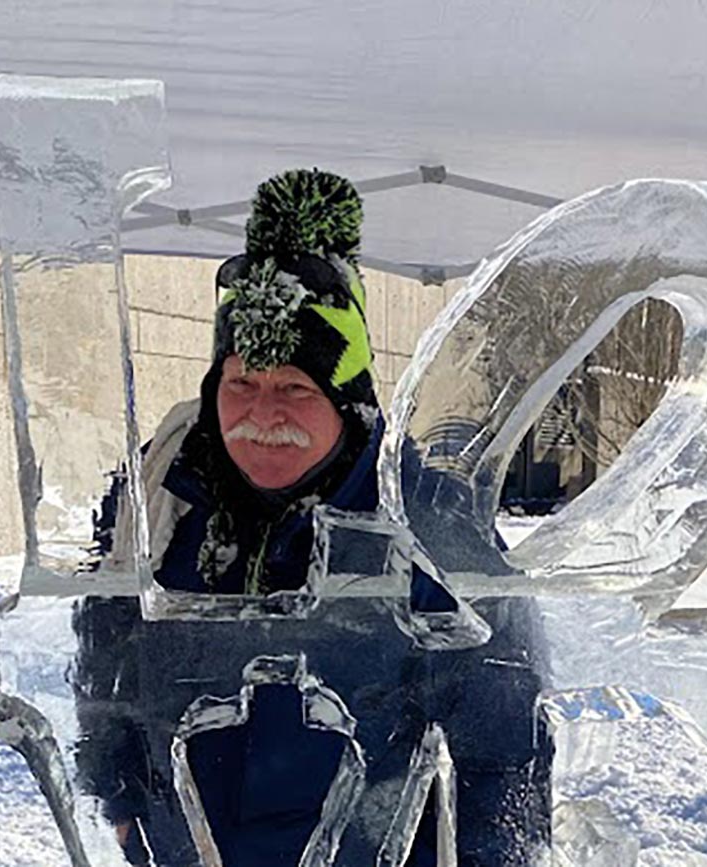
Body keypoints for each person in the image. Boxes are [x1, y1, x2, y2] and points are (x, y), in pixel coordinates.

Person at [72, 169, 551, 866]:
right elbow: (103, 640)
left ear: (348, 400)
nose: (262, 414)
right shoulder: (157, 491)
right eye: (242, 382)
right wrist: (112, 794)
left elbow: (507, 738)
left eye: (295, 387)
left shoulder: (428, 519)